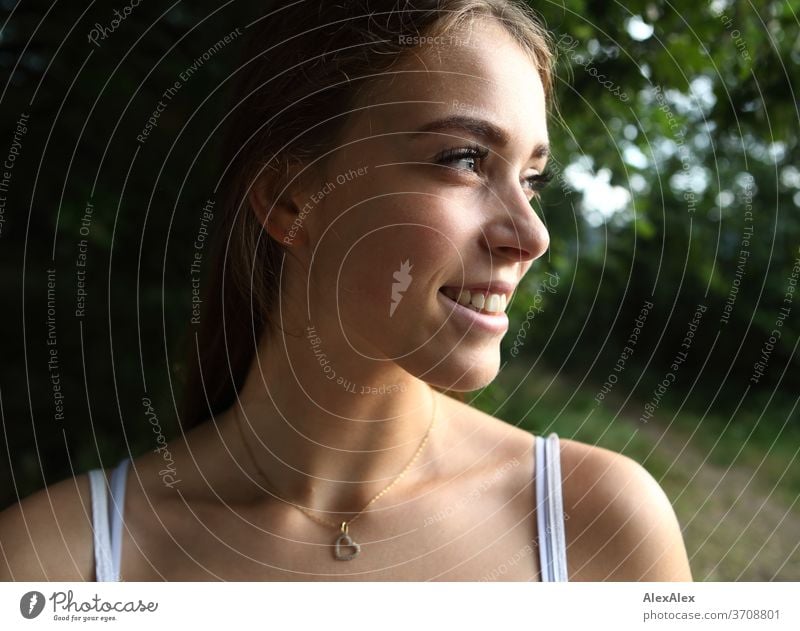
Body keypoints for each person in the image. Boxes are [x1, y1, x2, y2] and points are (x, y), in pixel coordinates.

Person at [0, 0, 692, 581]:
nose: (530, 235)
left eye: (531, 177)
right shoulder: (58, 562)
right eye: (463, 159)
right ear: (293, 199)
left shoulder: (596, 526)